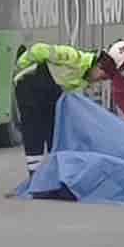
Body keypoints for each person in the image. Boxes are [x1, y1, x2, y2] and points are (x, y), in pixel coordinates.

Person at [13, 42, 109, 178]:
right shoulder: (73, 57)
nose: (100, 80)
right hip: (29, 83)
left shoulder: (83, 80)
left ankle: (51, 174)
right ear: (98, 66)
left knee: (54, 131)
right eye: (102, 76)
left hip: (48, 92)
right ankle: (35, 176)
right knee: (33, 131)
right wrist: (22, 66)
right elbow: (39, 49)